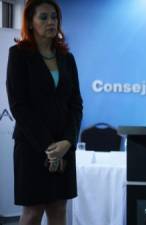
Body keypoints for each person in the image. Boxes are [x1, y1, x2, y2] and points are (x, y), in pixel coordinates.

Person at [6, 0, 83, 224]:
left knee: (59, 209)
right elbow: (19, 106)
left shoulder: (67, 58)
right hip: (32, 146)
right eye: (43, 17)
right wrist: (50, 148)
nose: (51, 22)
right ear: (30, 22)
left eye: (54, 17)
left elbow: (76, 103)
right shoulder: (19, 55)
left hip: (64, 145)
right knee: (32, 213)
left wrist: (68, 141)